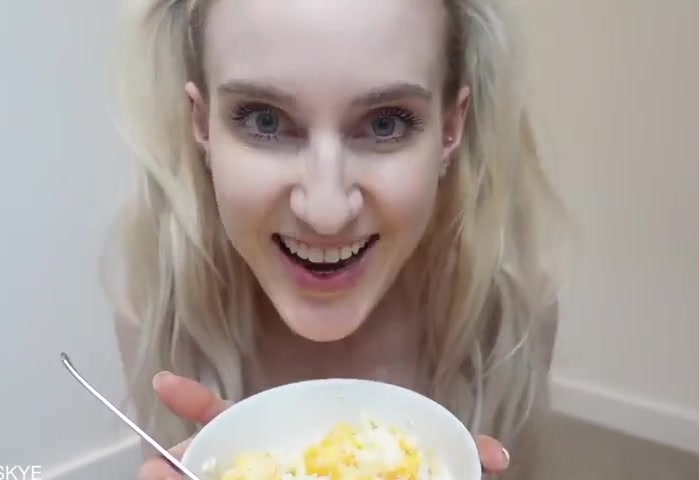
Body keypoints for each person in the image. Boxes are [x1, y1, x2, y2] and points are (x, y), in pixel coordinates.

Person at [107, 0, 569, 478]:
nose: (326, 214)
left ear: (450, 129)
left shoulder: (510, 316)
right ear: (201, 124)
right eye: (265, 121)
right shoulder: (162, 308)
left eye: (386, 123)